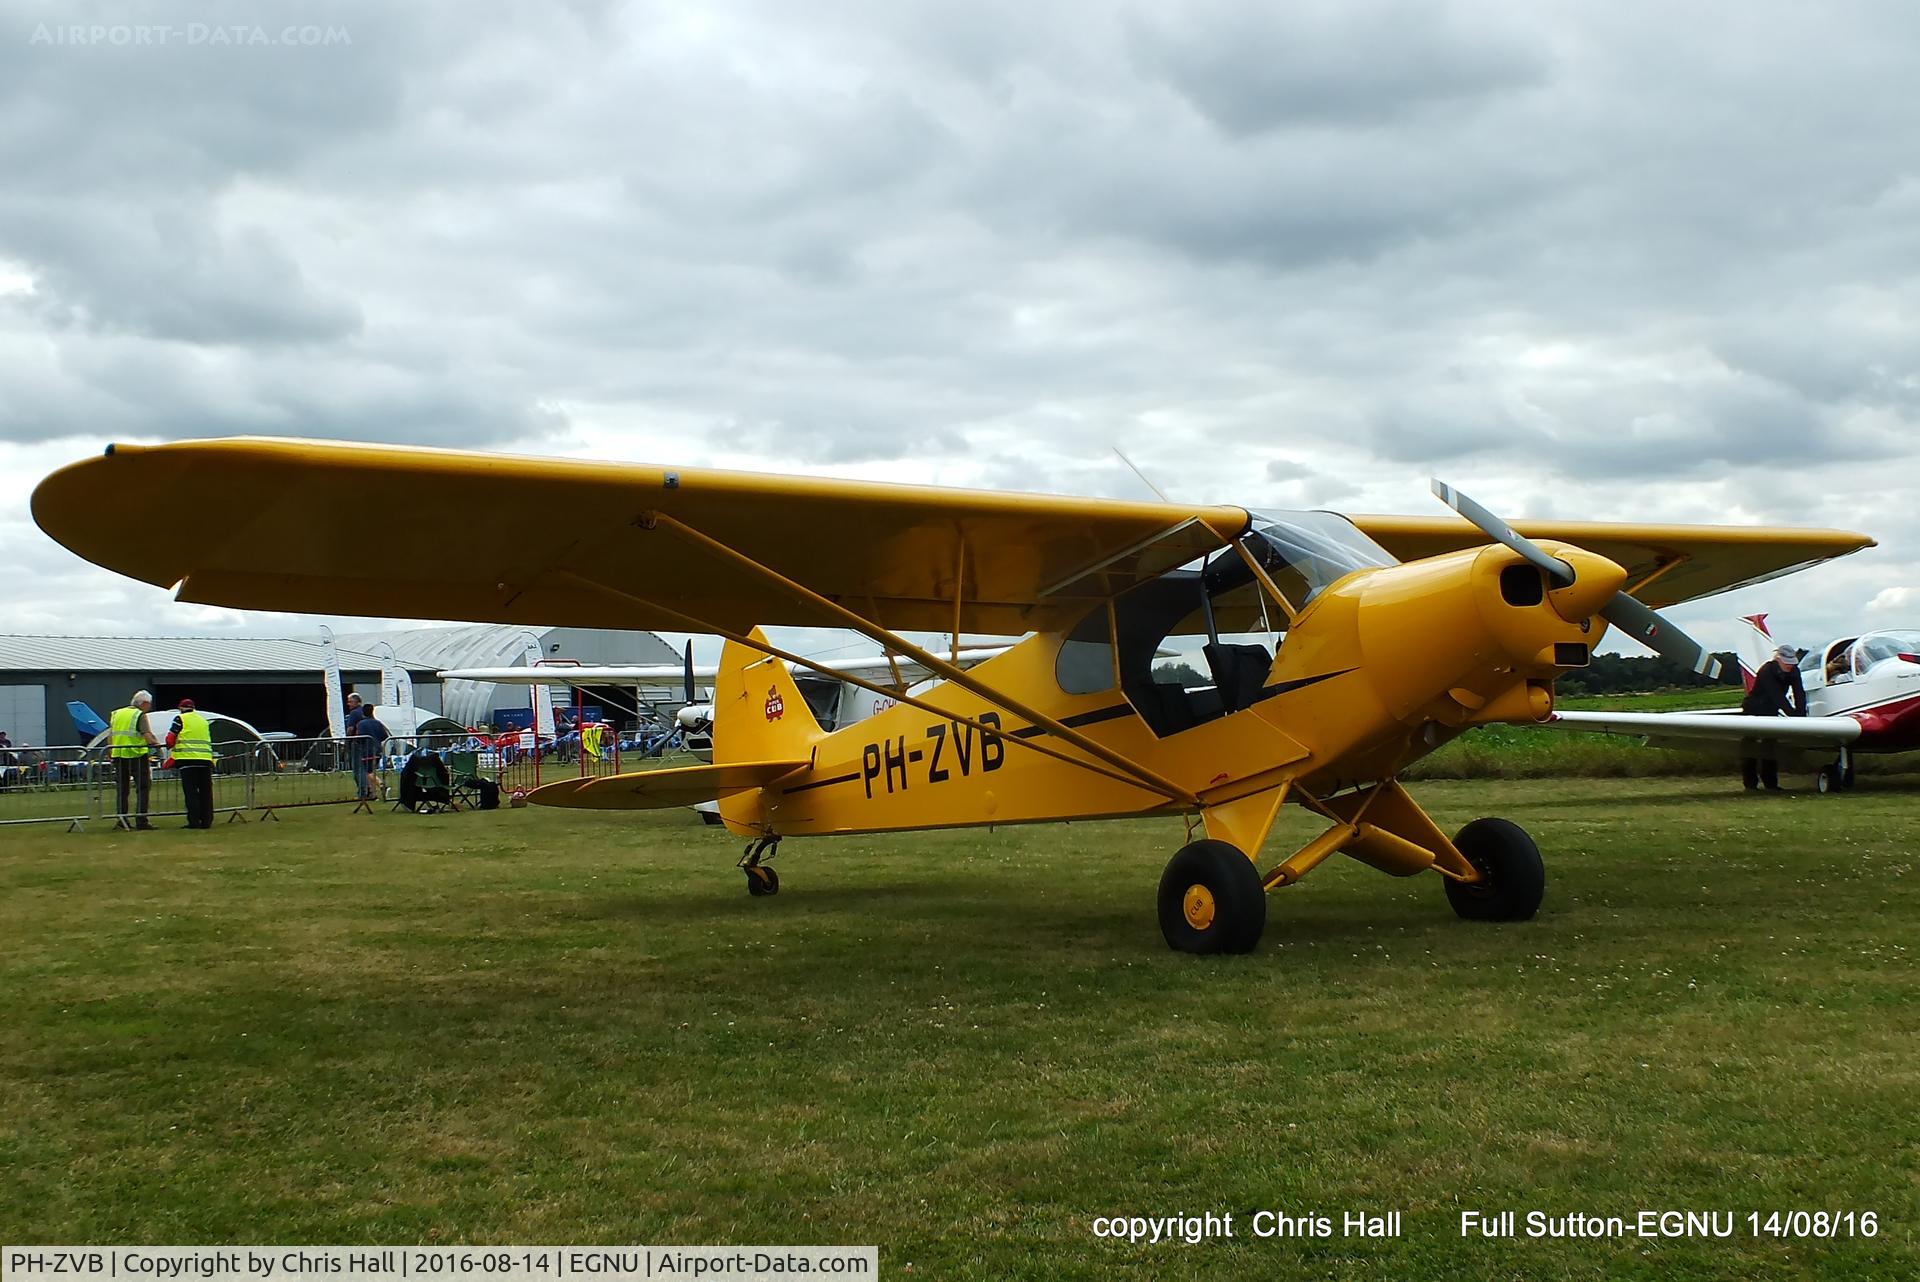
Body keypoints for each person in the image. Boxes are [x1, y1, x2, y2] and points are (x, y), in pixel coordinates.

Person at [1741, 643, 1807, 792]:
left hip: (1771, 710)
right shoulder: (1766, 671)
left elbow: (1799, 693)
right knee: (1750, 746)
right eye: (1787, 663)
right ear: (1778, 660)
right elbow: (1776, 695)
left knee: (1769, 746)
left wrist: (1801, 715)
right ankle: (1750, 785)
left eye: (1792, 663)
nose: (1790, 666)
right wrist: (1792, 714)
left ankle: (1771, 784)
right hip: (1753, 708)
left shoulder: (1794, 672)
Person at [108, 689, 161, 830]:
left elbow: (110, 735)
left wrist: (110, 752)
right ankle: (141, 820)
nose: (149, 707)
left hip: (119, 755)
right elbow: (147, 736)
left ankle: (121, 820)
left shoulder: (117, 714)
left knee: (122, 790)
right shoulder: (139, 715)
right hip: (137, 756)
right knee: (143, 788)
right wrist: (159, 746)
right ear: (144, 703)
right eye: (149, 704)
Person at [166, 699, 217, 829]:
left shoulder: (180, 719)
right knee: (206, 792)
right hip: (205, 760)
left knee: (191, 793)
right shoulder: (202, 721)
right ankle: (207, 821)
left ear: (181, 708)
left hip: (188, 761)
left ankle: (194, 821)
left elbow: (170, 739)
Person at [352, 704, 389, 801]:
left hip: (367, 749)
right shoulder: (378, 723)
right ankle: (372, 794)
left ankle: (382, 785)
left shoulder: (361, 724)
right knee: (373, 771)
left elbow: (360, 737)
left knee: (368, 772)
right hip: (378, 749)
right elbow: (384, 736)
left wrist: (356, 742)